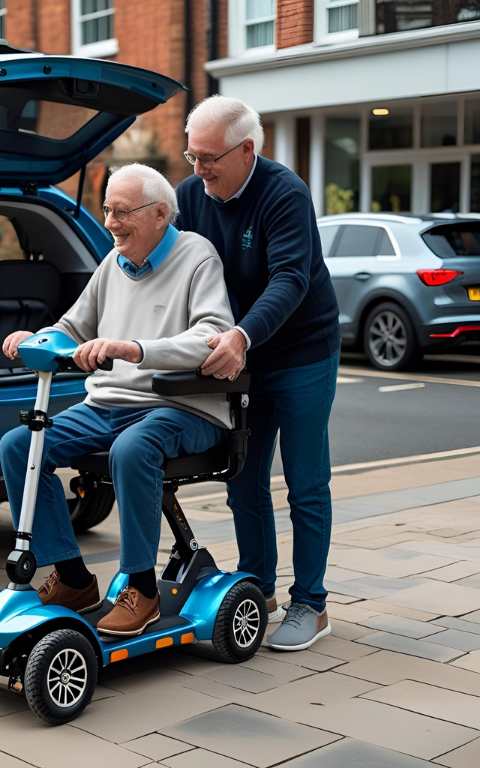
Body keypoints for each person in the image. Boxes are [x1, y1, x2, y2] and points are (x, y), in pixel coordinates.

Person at [0, 163, 234, 637]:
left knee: (132, 449)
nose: (110, 222)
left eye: (122, 212)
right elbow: (71, 327)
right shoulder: (113, 263)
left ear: (160, 214)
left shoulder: (196, 256)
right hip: (108, 406)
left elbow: (213, 335)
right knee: (19, 445)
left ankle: (142, 589)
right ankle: (73, 578)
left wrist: (136, 349)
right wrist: (36, 338)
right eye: (107, 210)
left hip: (181, 405)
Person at [176, 96, 341, 651]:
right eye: (192, 156)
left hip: (301, 352)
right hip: (240, 357)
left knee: (305, 482)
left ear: (247, 149)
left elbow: (290, 278)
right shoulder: (189, 196)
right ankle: (258, 589)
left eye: (209, 158)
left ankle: (311, 604)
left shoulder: (284, 193)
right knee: (243, 479)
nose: (199, 170)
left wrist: (242, 336)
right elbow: (163, 267)